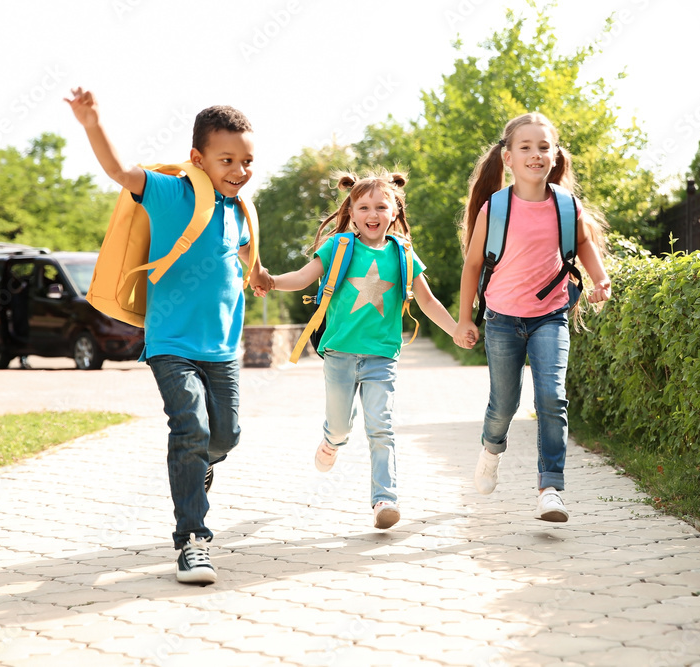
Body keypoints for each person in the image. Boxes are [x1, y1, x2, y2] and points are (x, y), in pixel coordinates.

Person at [66, 87, 272, 585]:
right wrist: (92, 122)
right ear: (198, 158)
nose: (239, 170)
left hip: (222, 348)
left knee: (225, 436)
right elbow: (119, 172)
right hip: (171, 344)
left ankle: (196, 465)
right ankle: (193, 541)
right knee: (191, 430)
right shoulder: (169, 191)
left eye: (247, 161)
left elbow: (242, 255)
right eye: (227, 160)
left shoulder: (239, 212)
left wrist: (260, 273)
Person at [261, 170, 473, 529]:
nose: (372, 214)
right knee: (342, 427)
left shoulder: (403, 253)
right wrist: (271, 281)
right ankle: (331, 440)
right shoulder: (339, 246)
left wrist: (454, 329)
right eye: (363, 207)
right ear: (352, 211)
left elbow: (427, 299)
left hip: (381, 357)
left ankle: (384, 500)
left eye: (380, 206)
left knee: (382, 428)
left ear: (395, 211)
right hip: (340, 353)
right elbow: (303, 276)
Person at [453, 112, 612, 523]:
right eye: (525, 147)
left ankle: (551, 487)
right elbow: (472, 267)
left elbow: (582, 242)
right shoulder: (496, 207)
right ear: (507, 157)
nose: (535, 154)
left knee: (551, 398)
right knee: (503, 404)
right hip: (503, 319)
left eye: (544, 147)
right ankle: (491, 451)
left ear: (555, 155)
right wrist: (464, 319)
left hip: (550, 316)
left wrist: (601, 278)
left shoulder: (566, 204)